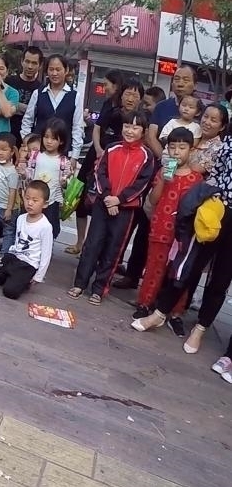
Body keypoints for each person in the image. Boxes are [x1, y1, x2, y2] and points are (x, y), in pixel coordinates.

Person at [68, 110, 154, 305]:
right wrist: (108, 197)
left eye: (135, 127)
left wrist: (119, 200)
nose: (130, 131)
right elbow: (100, 172)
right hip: (103, 203)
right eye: (127, 126)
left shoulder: (146, 156)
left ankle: (99, 288)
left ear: (143, 131)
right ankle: (80, 283)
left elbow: (142, 184)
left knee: (113, 249)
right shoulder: (112, 148)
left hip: (125, 209)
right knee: (92, 244)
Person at [132, 128, 203, 333]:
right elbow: (153, 200)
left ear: (191, 150)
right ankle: (145, 304)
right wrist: (163, 180)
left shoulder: (196, 178)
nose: (176, 152)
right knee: (154, 268)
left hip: (182, 236)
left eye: (182, 148)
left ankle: (175, 312)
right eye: (172, 148)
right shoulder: (163, 172)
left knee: (179, 274)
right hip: (161, 228)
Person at [0, 180, 55, 299]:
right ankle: (10, 276)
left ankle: (20, 280)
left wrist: (39, 276)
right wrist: (6, 256)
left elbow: (46, 254)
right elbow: (17, 240)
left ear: (45, 204)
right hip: (14, 257)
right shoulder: (21, 218)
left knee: (10, 292)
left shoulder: (45, 226)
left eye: (35, 200)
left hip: (28, 264)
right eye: (27, 198)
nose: (29, 203)